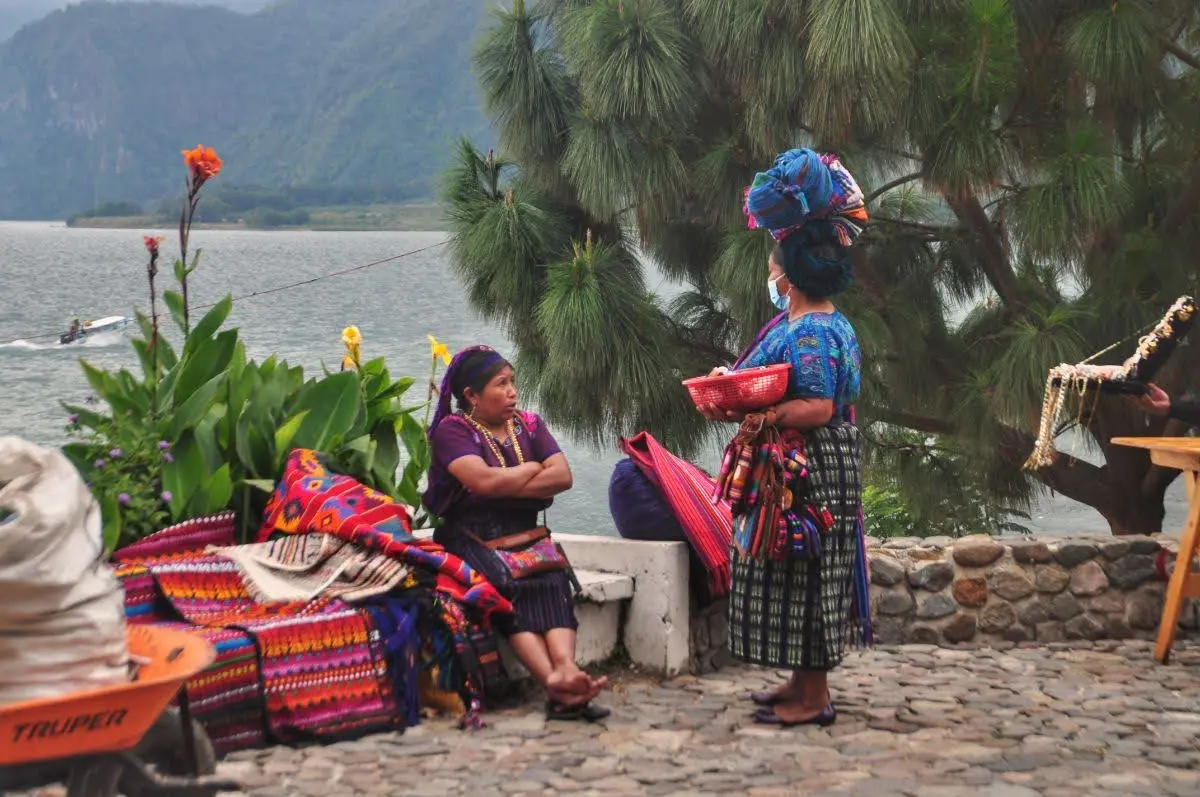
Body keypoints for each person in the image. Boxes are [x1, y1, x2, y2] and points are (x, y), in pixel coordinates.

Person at [696, 228, 870, 728]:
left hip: (807, 466)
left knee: (807, 570)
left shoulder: (811, 331)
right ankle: (801, 682)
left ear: (790, 278)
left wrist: (765, 417)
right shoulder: (807, 321)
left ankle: (815, 699)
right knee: (792, 572)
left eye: (773, 271)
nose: (769, 278)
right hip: (805, 461)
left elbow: (816, 406)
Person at [422, 345, 610, 721]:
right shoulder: (453, 431)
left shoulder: (529, 424)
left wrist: (505, 482)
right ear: (471, 396)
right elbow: (483, 482)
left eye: (513, 382)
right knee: (507, 585)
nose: (512, 392)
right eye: (501, 384)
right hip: (471, 536)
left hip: (528, 536)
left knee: (553, 580)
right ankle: (556, 683)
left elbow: (563, 477)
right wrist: (532, 471)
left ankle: (565, 671)